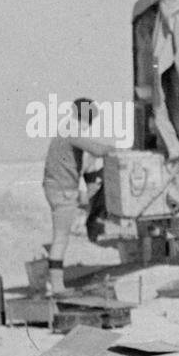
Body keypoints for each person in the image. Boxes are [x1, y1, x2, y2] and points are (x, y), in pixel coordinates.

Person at [41, 98, 122, 295]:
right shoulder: (72, 130)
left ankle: (52, 279)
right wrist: (116, 150)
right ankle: (56, 285)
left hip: (58, 188)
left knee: (60, 237)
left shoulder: (66, 129)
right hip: (63, 191)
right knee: (61, 238)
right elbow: (97, 149)